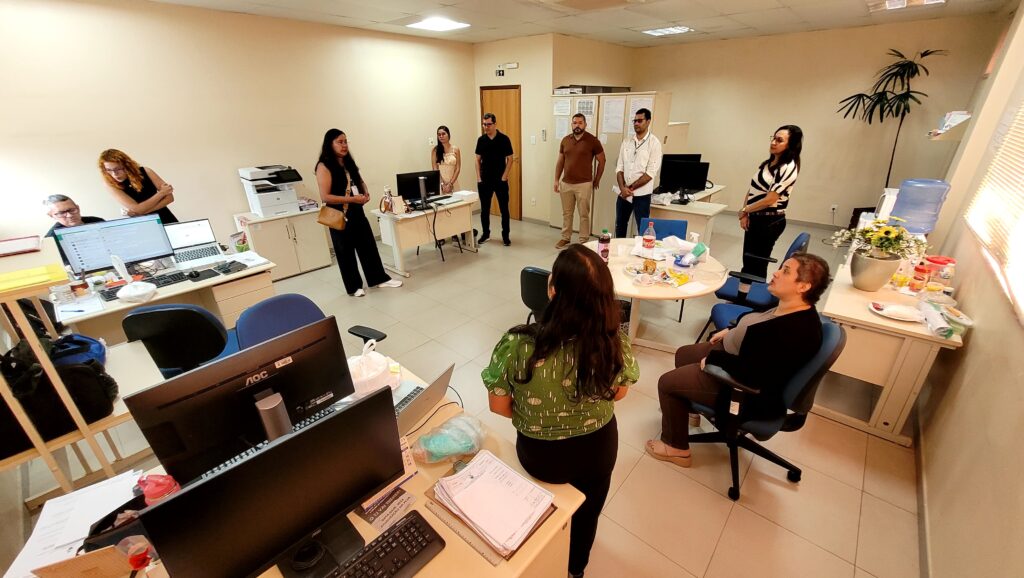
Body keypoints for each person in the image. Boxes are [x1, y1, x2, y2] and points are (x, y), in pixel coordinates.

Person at [482, 244, 639, 578]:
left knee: (539, 511)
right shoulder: (614, 342)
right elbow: (619, 393)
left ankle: (539, 560)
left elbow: (498, 406)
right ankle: (575, 570)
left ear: (552, 290)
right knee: (588, 515)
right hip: (598, 451)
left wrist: (538, 414)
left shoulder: (518, 345)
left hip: (541, 456)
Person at [646, 253, 830, 467]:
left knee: (667, 383)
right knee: (683, 355)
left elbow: (752, 373)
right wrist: (732, 329)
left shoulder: (793, 333)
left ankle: (676, 448)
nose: (776, 273)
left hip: (744, 390)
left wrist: (713, 358)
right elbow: (757, 319)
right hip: (739, 356)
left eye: (786, 271)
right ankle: (691, 410)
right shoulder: (790, 307)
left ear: (803, 286)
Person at [314, 129, 402, 297]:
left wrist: (365, 192)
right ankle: (353, 287)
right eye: (340, 142)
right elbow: (325, 196)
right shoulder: (323, 166)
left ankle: (378, 278)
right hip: (339, 214)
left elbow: (360, 181)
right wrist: (352, 199)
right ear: (329, 144)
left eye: (345, 141)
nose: (344, 145)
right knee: (345, 252)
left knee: (368, 245)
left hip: (357, 211)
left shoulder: (348, 162)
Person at [738, 125, 803, 279]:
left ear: (790, 145)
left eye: (779, 140)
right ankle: (744, 290)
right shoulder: (768, 164)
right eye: (773, 138)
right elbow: (753, 189)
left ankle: (751, 292)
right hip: (755, 217)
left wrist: (745, 210)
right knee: (748, 261)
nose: (773, 142)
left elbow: (770, 199)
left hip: (769, 221)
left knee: (756, 264)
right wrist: (745, 212)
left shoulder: (788, 167)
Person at [553, 113, 605, 249]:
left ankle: (583, 240)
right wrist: (556, 180)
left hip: (584, 184)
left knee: (583, 214)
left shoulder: (592, 140)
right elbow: (560, 161)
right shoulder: (565, 140)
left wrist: (597, 179)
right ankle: (565, 237)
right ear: (571, 124)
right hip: (566, 183)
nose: (577, 125)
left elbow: (602, 160)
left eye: (580, 123)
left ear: (585, 124)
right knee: (567, 213)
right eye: (575, 123)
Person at [614, 108, 662, 238]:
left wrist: (630, 188)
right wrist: (622, 188)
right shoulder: (627, 142)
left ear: (648, 122)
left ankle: (641, 250)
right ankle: (619, 249)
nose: (636, 123)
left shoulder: (654, 143)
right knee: (620, 225)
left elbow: (650, 173)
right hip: (623, 193)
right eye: (634, 121)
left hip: (642, 195)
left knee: (643, 228)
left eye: (640, 121)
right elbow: (619, 167)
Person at [98, 149, 178, 223]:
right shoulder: (110, 184)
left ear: (126, 165)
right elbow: (137, 209)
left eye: (118, 169)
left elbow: (170, 198)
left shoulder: (146, 171)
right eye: (109, 170)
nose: (114, 174)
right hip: (144, 223)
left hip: (166, 218)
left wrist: (142, 212)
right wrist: (161, 193)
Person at [475, 113, 514, 246]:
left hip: (500, 180)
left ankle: (505, 236)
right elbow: (477, 159)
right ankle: (486, 234)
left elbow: (510, 159)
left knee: (504, 209)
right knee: (484, 209)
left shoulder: (504, 139)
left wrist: (504, 176)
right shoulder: (481, 140)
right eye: (484, 124)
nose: (486, 127)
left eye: (489, 124)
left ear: (495, 124)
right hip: (484, 180)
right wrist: (478, 177)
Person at [42, 195, 105, 265]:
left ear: (78, 208)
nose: (70, 215)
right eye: (61, 213)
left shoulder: (97, 221)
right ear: (51, 215)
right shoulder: (51, 239)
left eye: (72, 210)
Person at [432, 125, 461, 194]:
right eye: (439, 135)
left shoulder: (456, 149)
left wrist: (450, 184)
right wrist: (442, 184)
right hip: (441, 183)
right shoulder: (435, 150)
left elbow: (457, 168)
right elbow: (435, 169)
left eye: (443, 134)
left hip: (453, 182)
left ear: (448, 135)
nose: (441, 136)